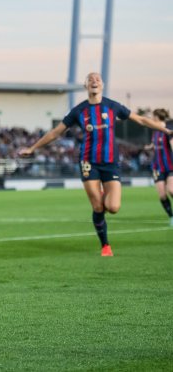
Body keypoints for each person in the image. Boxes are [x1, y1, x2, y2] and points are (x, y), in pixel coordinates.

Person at [19, 72, 172, 256]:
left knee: (113, 207)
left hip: (110, 163)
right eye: (90, 79)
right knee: (98, 207)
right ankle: (105, 245)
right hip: (88, 162)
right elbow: (55, 132)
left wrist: (165, 129)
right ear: (86, 86)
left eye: (97, 79)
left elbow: (140, 119)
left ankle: (102, 195)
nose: (94, 81)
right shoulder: (78, 111)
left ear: (102, 85)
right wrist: (32, 148)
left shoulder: (112, 106)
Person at [145, 108, 173, 226]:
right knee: (162, 195)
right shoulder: (155, 131)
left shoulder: (168, 130)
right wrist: (149, 147)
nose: (151, 118)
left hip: (170, 165)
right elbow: (154, 144)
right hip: (157, 167)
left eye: (153, 116)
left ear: (157, 117)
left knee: (171, 191)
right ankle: (171, 217)